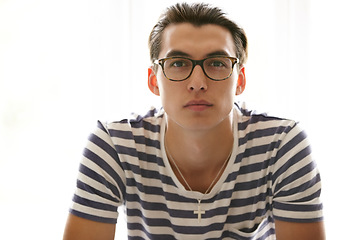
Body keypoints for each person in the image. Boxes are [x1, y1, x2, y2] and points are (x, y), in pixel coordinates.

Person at [63, 2, 325, 239]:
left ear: (240, 80)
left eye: (217, 63)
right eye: (178, 63)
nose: (197, 83)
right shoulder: (114, 146)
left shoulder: (282, 146)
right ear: (154, 81)